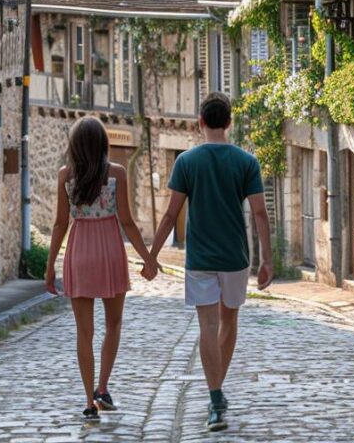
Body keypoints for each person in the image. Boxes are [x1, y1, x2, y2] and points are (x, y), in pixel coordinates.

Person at [150, 92, 272, 432]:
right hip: (235, 256)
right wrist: (267, 260)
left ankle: (215, 394)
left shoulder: (187, 162)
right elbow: (260, 213)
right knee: (229, 320)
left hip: (200, 256)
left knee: (207, 325)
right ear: (229, 122)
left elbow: (171, 214)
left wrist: (151, 256)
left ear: (200, 122)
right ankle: (217, 393)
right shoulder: (246, 162)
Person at [45, 117, 158, 421]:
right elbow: (128, 222)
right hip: (109, 252)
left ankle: (87, 401)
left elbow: (59, 223)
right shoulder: (117, 174)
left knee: (84, 332)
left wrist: (50, 265)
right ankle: (103, 388)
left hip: (79, 251)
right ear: (103, 144)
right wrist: (148, 258)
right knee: (114, 325)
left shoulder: (65, 177)